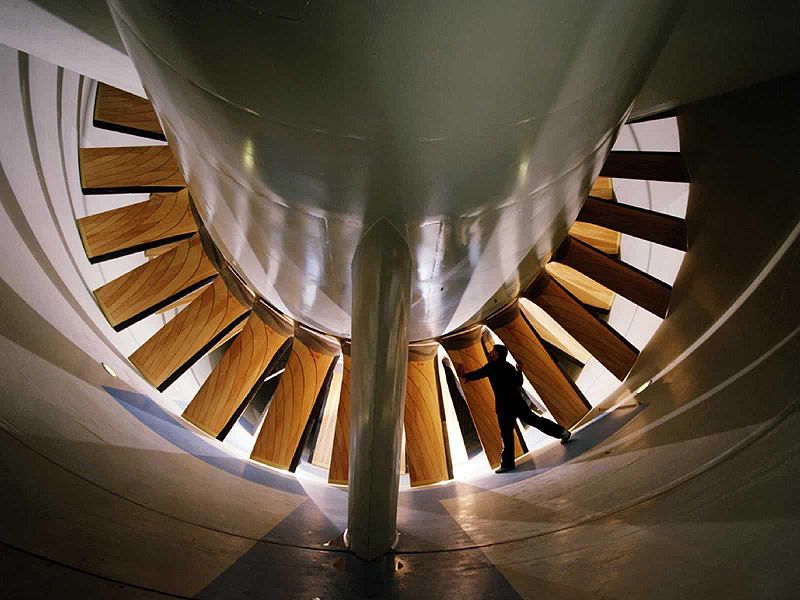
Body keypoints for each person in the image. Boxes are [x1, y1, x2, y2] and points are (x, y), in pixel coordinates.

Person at [457, 344, 571, 473]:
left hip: (504, 406)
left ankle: (507, 464)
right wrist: (519, 370)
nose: (490, 352)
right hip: (517, 402)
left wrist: (464, 375)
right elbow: (519, 383)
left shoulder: (492, 366)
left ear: (497, 354)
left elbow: (477, 374)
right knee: (536, 421)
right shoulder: (508, 366)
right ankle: (562, 432)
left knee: (507, 435)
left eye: (493, 351)